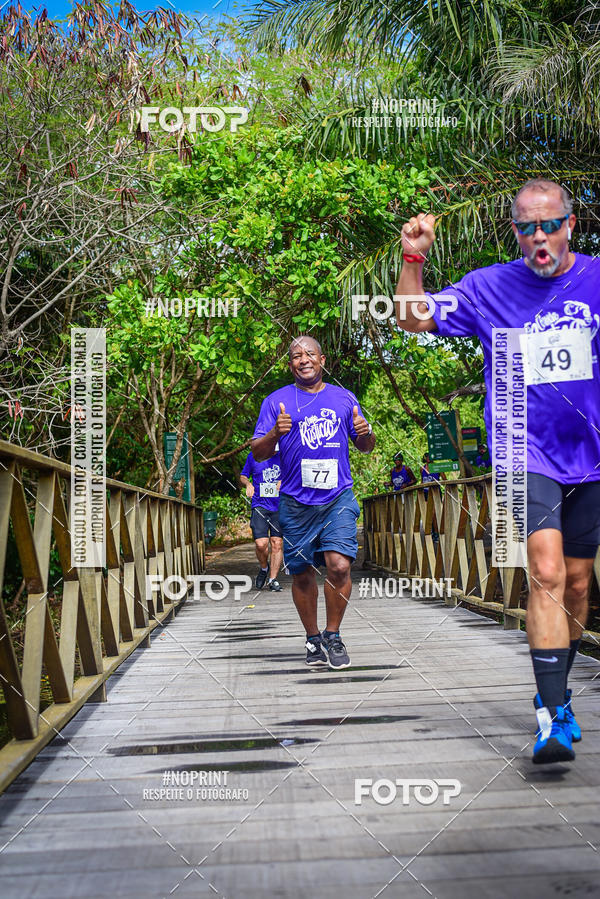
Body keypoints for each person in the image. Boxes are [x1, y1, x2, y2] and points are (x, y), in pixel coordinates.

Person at [395, 178, 600, 765]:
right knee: (546, 571)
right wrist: (414, 257)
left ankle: (554, 688)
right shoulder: (490, 287)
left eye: (550, 224)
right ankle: (552, 718)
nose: (540, 236)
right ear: (515, 232)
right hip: (522, 450)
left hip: (590, 456)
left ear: (570, 225)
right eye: (527, 227)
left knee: (578, 585)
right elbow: (413, 319)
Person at [251, 335, 375, 669]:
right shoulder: (275, 401)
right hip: (295, 502)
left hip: (337, 498)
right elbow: (258, 453)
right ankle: (312, 636)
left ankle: (333, 635)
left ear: (322, 360)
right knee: (303, 573)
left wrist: (365, 432)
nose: (303, 359)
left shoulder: (344, 398)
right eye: (295, 356)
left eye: (309, 354)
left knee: (339, 565)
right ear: (290, 364)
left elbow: (365, 446)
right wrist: (275, 433)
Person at [240, 449, 283, 591]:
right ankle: (264, 568)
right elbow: (243, 476)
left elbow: (296, 473)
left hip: (279, 506)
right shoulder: (254, 456)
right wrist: (248, 484)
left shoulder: (284, 455)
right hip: (260, 505)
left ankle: (273, 579)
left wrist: (283, 481)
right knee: (261, 543)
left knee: (277, 543)